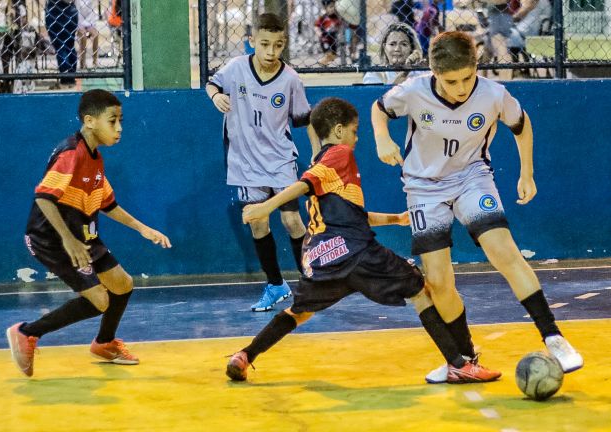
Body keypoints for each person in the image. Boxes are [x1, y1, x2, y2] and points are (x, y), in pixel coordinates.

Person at [226, 97, 501, 384]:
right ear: (339, 130)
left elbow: (352, 215)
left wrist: (395, 219)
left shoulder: (325, 166)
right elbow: (303, 184)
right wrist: (264, 208)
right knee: (420, 290)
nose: (357, 138)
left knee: (298, 312)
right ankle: (457, 363)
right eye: (355, 131)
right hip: (357, 252)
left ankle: (245, 355)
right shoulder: (339, 155)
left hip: (323, 259)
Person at [371, 31, 583, 383]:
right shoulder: (412, 91)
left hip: (472, 178)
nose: (461, 88)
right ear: (434, 73)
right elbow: (379, 111)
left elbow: (521, 125)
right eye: (451, 81)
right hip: (423, 187)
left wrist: (526, 174)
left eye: (467, 77)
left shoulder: (493, 94)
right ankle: (466, 359)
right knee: (438, 282)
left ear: (476, 68)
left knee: (503, 250)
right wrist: (382, 138)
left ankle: (553, 336)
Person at [7, 89, 172, 377]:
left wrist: (143, 229)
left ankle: (104, 343)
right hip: (52, 239)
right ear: (90, 121)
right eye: (113, 121)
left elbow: (108, 204)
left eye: (121, 120)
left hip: (83, 235)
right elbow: (43, 198)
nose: (119, 128)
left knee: (122, 283)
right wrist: (69, 241)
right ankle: (27, 332)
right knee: (99, 300)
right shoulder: (72, 153)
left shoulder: (94, 158)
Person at [206, 13, 318, 312]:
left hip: (280, 160)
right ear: (251, 40)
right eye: (265, 44)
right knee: (257, 221)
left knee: (292, 220)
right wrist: (216, 96)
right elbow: (211, 85)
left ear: (284, 44)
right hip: (244, 162)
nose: (271, 52)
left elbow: (305, 120)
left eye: (278, 45)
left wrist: (318, 155)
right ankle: (275, 285)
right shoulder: (236, 68)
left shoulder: (291, 79)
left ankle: (310, 284)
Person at [45, 0, 78, 88]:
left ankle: (65, 78)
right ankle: (71, 76)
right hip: (71, 10)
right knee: (70, 46)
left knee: (61, 47)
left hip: (56, 11)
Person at [314, 0, 342, 66]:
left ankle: (327, 60)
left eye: (334, 7)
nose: (333, 9)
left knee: (333, 53)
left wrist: (338, 30)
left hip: (333, 37)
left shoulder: (336, 17)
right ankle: (325, 60)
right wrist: (319, 33)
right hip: (325, 37)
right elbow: (316, 26)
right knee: (327, 51)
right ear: (325, 8)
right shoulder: (323, 17)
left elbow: (339, 26)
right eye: (331, 7)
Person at [77, 0, 99, 69]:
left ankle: (95, 61)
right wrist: (80, 27)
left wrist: (92, 26)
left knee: (96, 35)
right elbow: (77, 14)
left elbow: (91, 13)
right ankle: (82, 62)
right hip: (79, 23)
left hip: (89, 23)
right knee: (83, 37)